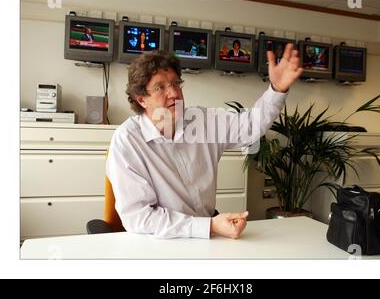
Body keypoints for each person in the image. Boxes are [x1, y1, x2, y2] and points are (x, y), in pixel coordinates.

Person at [107, 44, 302, 239]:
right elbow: (139, 217)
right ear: (142, 100)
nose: (174, 93)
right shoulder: (128, 141)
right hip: (160, 242)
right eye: (160, 87)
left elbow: (250, 126)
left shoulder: (202, 121)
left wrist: (277, 89)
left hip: (208, 234)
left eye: (176, 83)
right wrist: (207, 226)